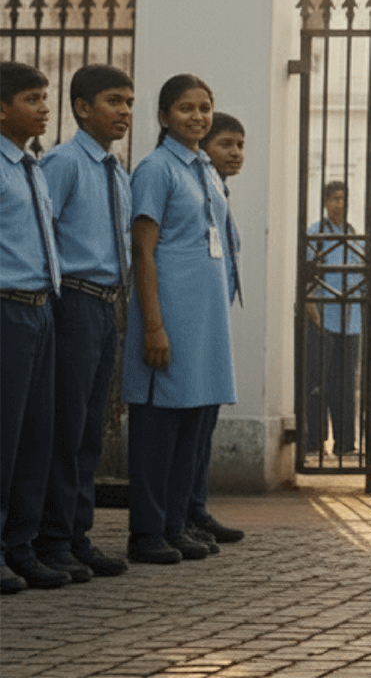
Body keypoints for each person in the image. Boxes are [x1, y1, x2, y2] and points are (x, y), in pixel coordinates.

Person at [123, 74, 238, 565]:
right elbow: (143, 251)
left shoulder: (206, 170)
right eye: (187, 109)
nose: (198, 117)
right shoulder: (156, 169)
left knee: (191, 425)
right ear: (164, 115)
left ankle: (174, 524)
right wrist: (153, 324)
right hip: (169, 316)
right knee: (158, 429)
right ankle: (147, 532)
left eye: (205, 108)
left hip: (205, 321)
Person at [34, 65, 138, 583]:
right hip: (72, 302)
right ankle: (51, 539)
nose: (124, 112)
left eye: (129, 103)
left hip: (105, 305)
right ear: (81, 107)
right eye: (114, 101)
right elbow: (40, 233)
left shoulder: (117, 170)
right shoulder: (63, 164)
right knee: (66, 426)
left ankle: (77, 535)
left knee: (92, 429)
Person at [1, 62, 67, 592]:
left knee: (35, 436)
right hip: (6, 308)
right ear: (2, 108)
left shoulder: (30, 165)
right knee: (4, 435)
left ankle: (21, 547)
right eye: (31, 98)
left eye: (45, 96)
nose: (45, 107)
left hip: (42, 309)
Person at [183, 111, 247, 549]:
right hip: (191, 321)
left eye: (241, 146)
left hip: (213, 318)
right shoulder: (185, 184)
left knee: (205, 423)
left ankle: (195, 508)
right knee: (188, 424)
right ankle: (182, 513)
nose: (236, 153)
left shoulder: (218, 191)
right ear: (204, 147)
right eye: (226, 144)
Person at [304, 180, 362, 459]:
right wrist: (311, 305)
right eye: (336, 198)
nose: (341, 204)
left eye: (344, 198)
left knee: (346, 385)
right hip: (322, 319)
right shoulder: (316, 232)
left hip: (351, 321)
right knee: (318, 383)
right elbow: (307, 275)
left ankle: (346, 443)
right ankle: (315, 442)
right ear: (326, 202)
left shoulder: (351, 233)